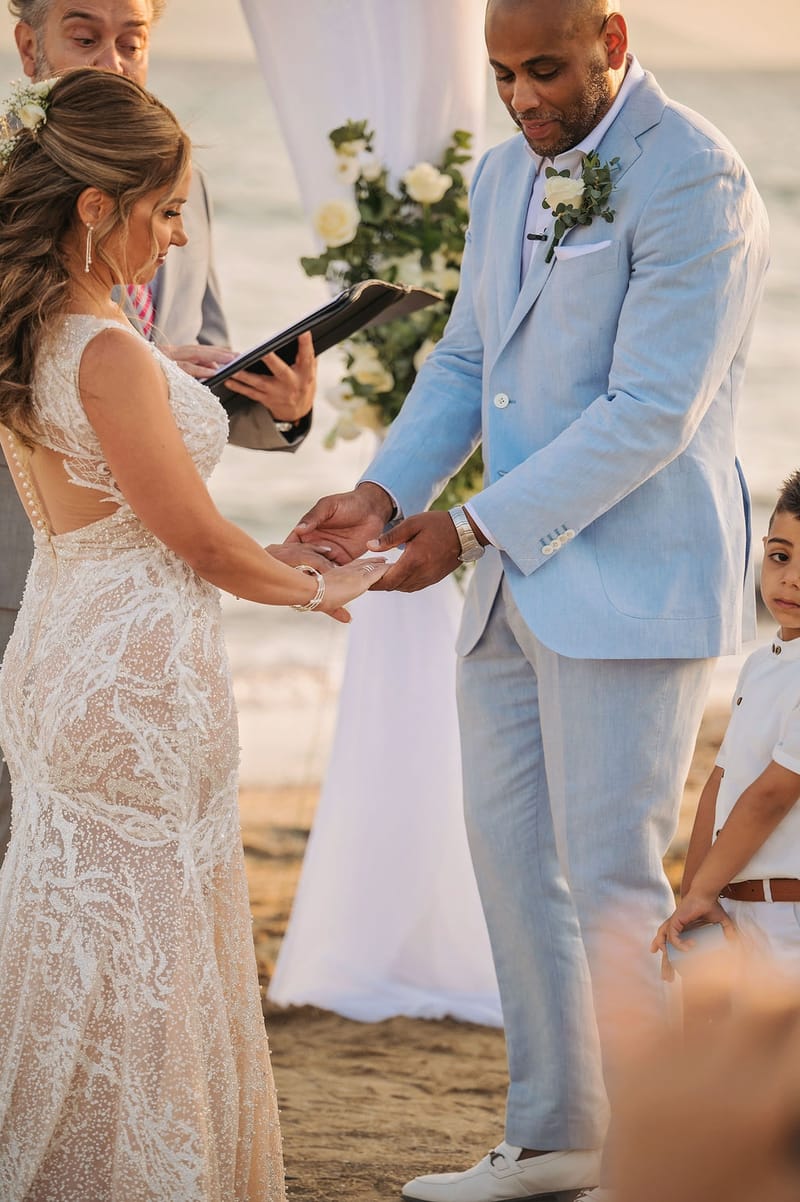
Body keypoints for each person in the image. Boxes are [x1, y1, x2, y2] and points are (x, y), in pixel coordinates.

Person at [287, 0, 770, 1198]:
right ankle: (555, 1136)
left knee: (609, 874)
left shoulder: (696, 177)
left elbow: (650, 410)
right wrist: (382, 490)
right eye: (501, 75)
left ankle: (658, 1161)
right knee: (511, 863)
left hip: (631, 582)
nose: (519, 98)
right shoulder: (507, 173)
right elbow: (464, 360)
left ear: (609, 37)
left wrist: (465, 524)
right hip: (509, 580)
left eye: (542, 70)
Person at [0, 68, 386, 1200]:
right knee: (146, 942)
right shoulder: (108, 352)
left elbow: (151, 496)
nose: (174, 237)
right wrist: (323, 586)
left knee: (78, 927)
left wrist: (268, 410)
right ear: (92, 206)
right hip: (132, 673)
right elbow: (198, 541)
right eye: (165, 210)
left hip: (73, 640)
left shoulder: (44, 337)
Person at [0, 0, 318, 866]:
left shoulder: (180, 183)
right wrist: (116, 367)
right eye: (84, 34)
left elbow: (201, 370)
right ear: (28, 45)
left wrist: (281, 408)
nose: (112, 59)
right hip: (18, 566)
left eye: (130, 39)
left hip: (146, 603)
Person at [653, 472, 800, 978]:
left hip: (789, 918)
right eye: (781, 556)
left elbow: (772, 795)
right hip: (732, 904)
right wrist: (692, 901)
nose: (791, 578)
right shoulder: (761, 665)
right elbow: (720, 784)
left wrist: (701, 890)